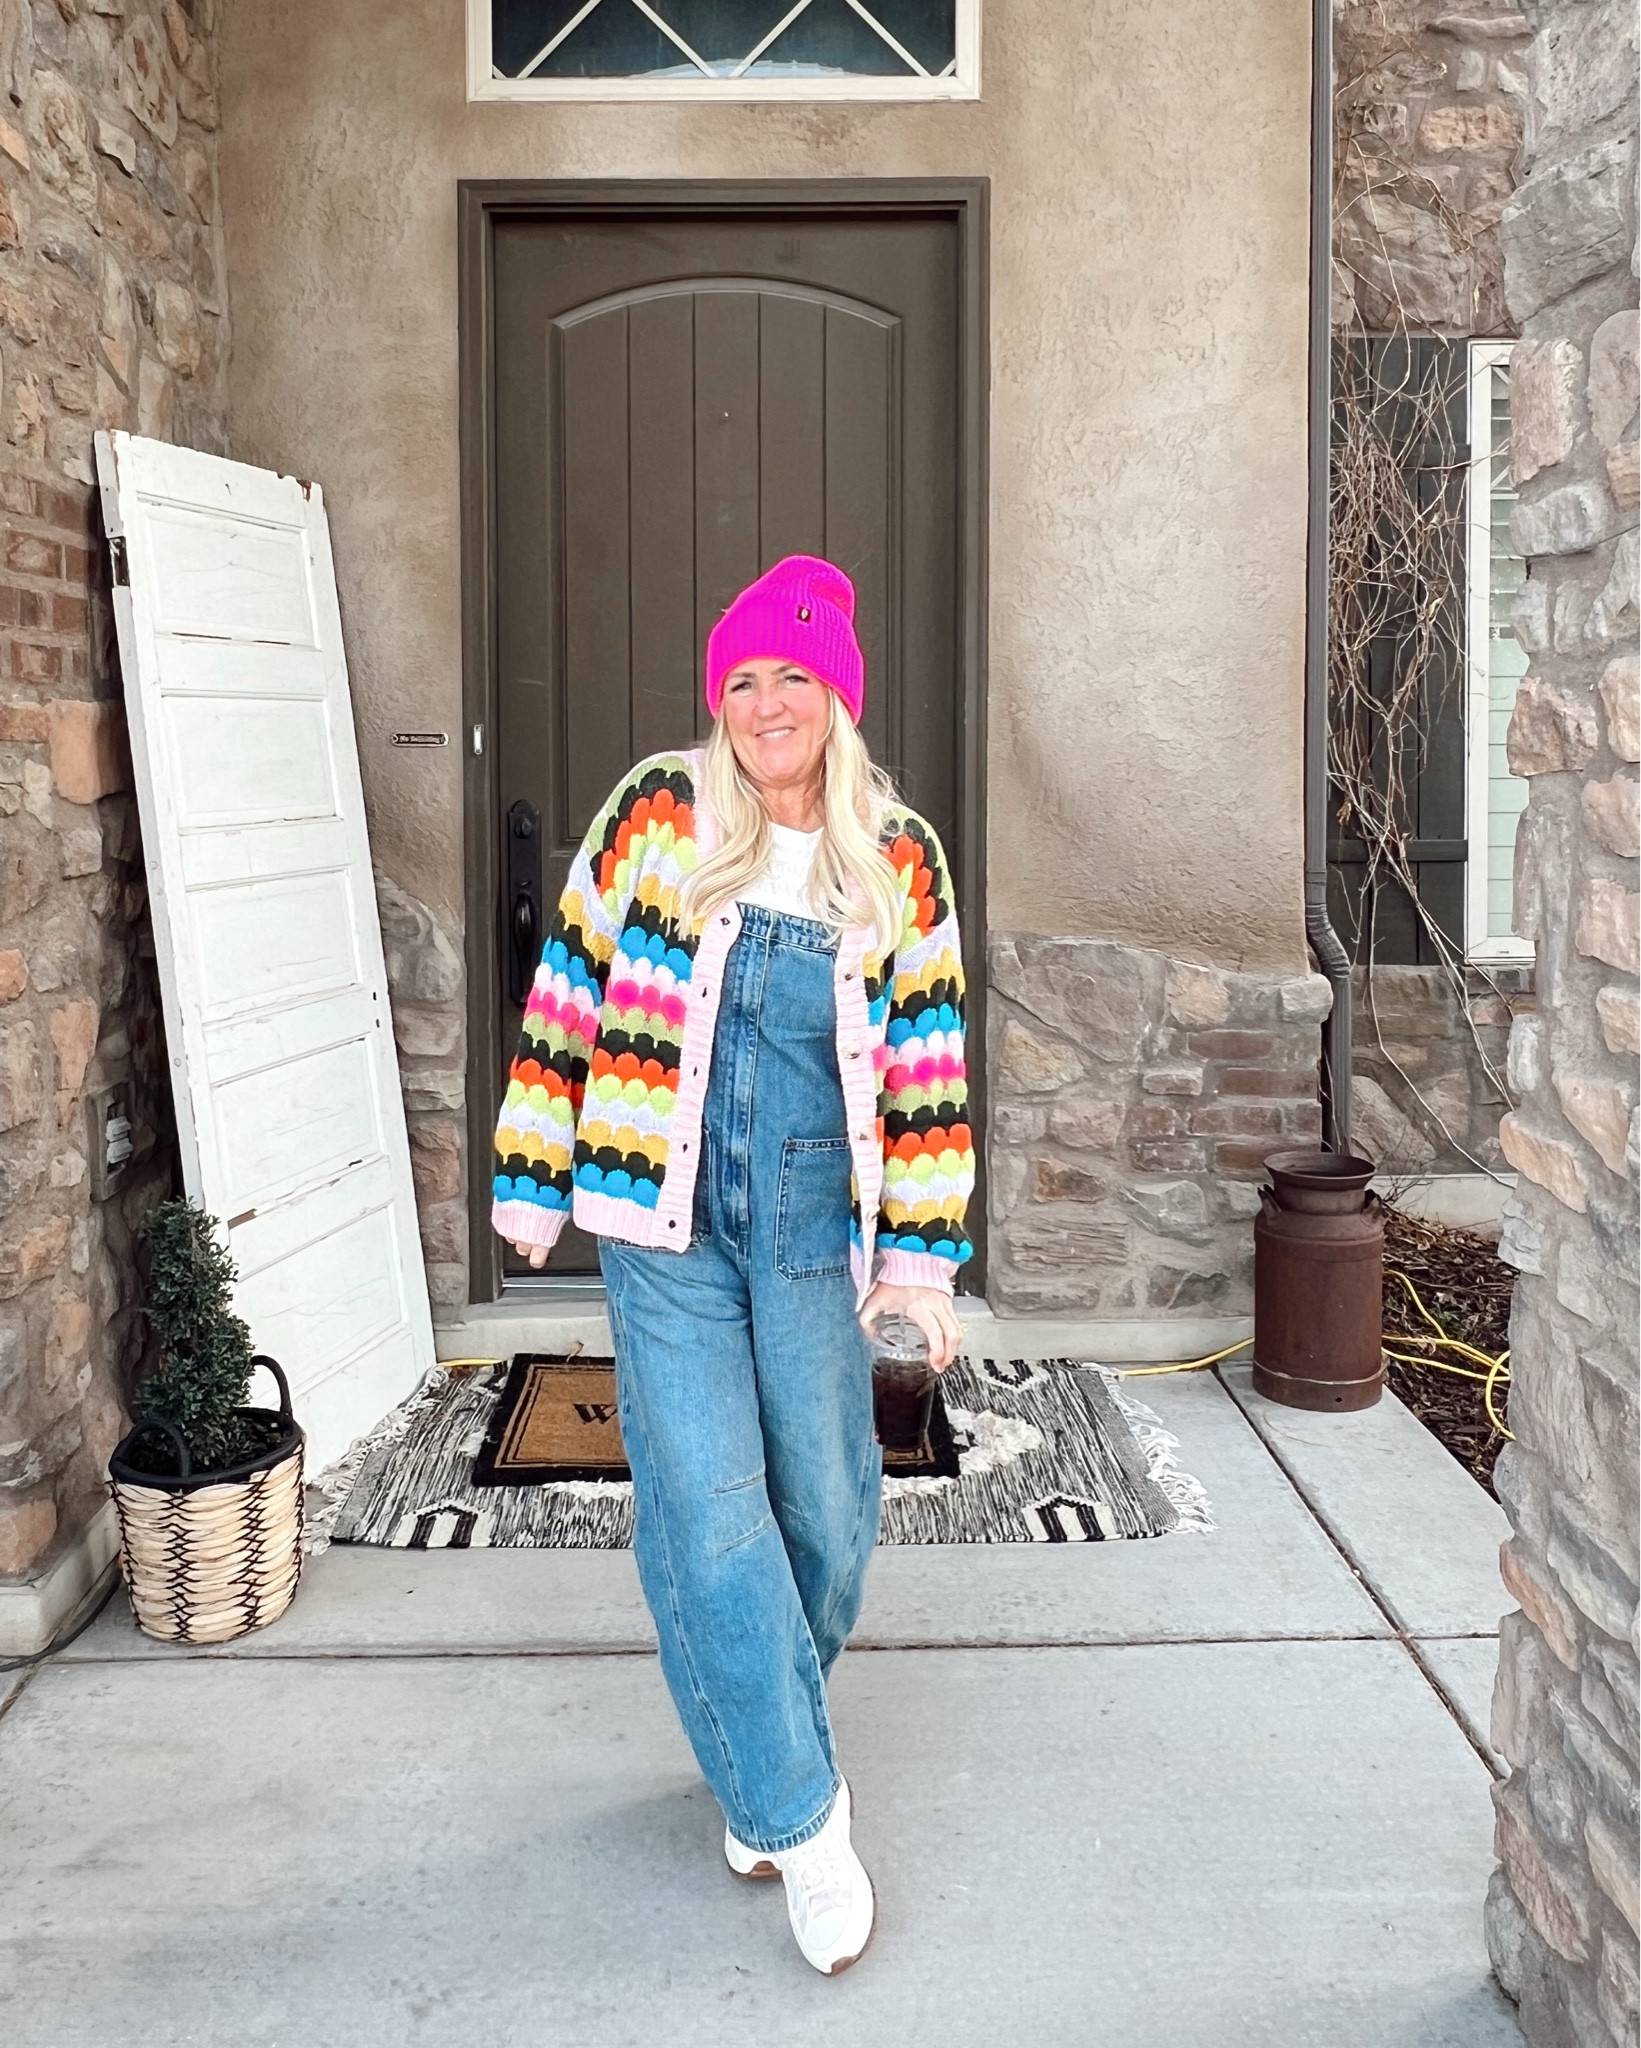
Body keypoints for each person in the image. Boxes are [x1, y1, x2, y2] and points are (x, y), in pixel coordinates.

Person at [492, 554, 974, 1975]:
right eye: (743, 678)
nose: (767, 702)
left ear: (838, 694)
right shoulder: (655, 811)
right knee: (705, 1512)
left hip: (818, 1229)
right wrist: (533, 1176)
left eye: (794, 676)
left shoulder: (898, 853)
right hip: (664, 1218)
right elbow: (568, 987)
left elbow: (927, 1070)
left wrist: (922, 1268)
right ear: (720, 699)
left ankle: (756, 1738)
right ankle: (803, 1818)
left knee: (826, 1508)